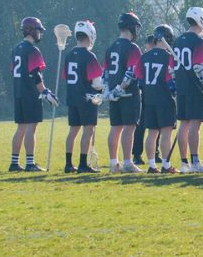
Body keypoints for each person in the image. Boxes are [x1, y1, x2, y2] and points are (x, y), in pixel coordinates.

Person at [173, 7, 203, 173]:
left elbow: (172, 68)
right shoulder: (198, 42)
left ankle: (184, 164)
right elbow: (199, 67)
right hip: (194, 87)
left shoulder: (178, 41)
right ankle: (195, 162)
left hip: (182, 87)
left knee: (183, 124)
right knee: (194, 125)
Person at [10, 17, 56, 172]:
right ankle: (30, 163)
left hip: (18, 92)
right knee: (31, 128)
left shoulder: (16, 48)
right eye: (38, 30)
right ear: (32, 30)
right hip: (30, 93)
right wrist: (44, 91)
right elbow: (36, 74)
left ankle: (14, 163)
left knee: (20, 128)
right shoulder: (32, 50)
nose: (40, 34)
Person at [136, 24, 179, 174]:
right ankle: (166, 166)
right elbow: (171, 81)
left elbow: (139, 79)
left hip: (148, 99)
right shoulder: (169, 57)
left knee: (152, 133)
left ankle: (152, 165)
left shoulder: (144, 57)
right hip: (164, 99)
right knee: (166, 133)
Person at [63, 20, 104, 173]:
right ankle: (82, 164)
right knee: (88, 130)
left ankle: (68, 164)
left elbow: (66, 77)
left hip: (72, 97)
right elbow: (97, 83)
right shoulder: (89, 56)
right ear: (90, 35)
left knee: (73, 131)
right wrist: (103, 87)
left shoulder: (69, 55)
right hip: (87, 98)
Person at [104, 12, 143, 173]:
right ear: (132, 27)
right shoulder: (132, 47)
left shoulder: (111, 46)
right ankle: (127, 162)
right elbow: (132, 71)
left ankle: (114, 163)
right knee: (128, 128)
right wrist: (121, 88)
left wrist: (108, 90)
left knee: (115, 127)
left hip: (113, 93)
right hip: (127, 94)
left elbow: (105, 72)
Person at [131, 35, 155, 166]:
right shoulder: (144, 58)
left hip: (155, 95)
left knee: (156, 126)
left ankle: (155, 153)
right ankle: (136, 154)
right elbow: (137, 76)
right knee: (141, 127)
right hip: (144, 95)